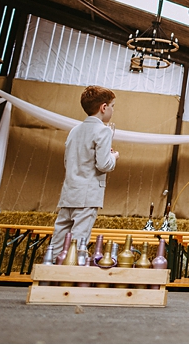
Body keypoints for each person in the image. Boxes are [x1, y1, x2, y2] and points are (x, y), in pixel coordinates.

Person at [51, 85, 119, 255]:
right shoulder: (103, 131)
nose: (112, 110)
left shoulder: (74, 130)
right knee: (78, 242)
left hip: (69, 192)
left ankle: (50, 271)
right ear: (104, 107)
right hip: (87, 195)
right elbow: (104, 165)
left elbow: (69, 160)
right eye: (112, 106)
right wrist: (114, 157)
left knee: (59, 238)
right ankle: (70, 277)